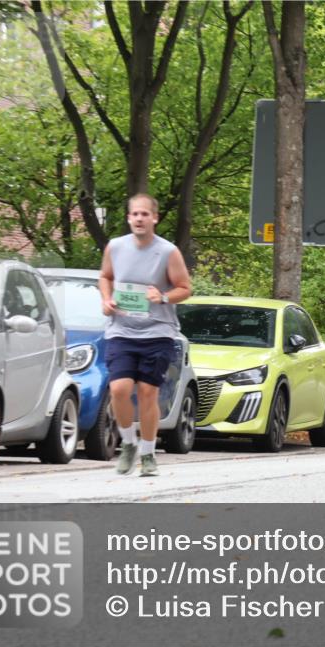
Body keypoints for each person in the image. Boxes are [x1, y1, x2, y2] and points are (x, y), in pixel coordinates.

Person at [99, 193, 192, 476]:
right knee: (119, 389)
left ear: (155, 218)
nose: (139, 218)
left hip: (157, 331)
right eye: (135, 214)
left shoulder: (167, 252)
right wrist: (106, 300)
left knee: (148, 392)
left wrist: (162, 297)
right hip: (121, 330)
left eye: (144, 214)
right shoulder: (116, 247)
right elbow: (106, 276)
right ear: (129, 218)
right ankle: (128, 444)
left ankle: (148, 454)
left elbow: (185, 288)